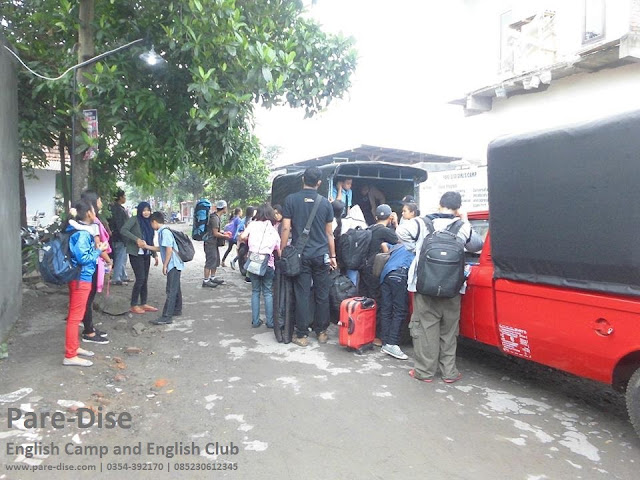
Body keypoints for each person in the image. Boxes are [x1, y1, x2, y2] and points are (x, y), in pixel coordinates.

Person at [407, 191, 484, 383]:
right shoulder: (463, 226)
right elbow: (477, 245)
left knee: (426, 327)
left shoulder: (421, 223)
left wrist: (417, 249)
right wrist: (464, 220)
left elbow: (401, 233)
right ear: (458, 208)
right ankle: (449, 372)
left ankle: (424, 372)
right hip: (453, 287)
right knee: (449, 330)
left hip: (424, 285)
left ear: (439, 204)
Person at [281, 166, 336, 347]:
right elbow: (330, 234)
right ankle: (321, 332)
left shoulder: (291, 200)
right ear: (319, 183)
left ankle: (302, 334)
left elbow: (286, 228)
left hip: (301, 255)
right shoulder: (325, 203)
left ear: (302, 179)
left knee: (302, 294)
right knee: (322, 293)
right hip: (321, 255)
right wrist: (333, 256)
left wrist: (282, 250)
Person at [63, 199, 109, 366]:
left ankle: (74, 348)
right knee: (75, 318)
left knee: (76, 317)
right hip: (81, 278)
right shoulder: (82, 234)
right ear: (89, 213)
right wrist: (99, 250)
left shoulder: (78, 230)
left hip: (80, 278)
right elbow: (83, 258)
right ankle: (70, 355)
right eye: (93, 209)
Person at [378, 221, 418, 361]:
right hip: (400, 275)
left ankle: (385, 341)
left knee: (386, 309)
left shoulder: (397, 245)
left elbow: (384, 244)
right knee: (400, 311)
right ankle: (392, 343)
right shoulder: (414, 246)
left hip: (385, 275)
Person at [78, 190, 112, 344]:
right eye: (99, 200)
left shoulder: (79, 222)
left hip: (85, 265)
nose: (101, 203)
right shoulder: (93, 223)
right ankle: (89, 332)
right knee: (88, 298)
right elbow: (99, 246)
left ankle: (89, 327)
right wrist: (108, 260)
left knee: (88, 298)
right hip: (91, 264)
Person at [240, 204, 281, 328]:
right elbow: (278, 249)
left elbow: (242, 236)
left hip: (253, 262)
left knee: (255, 291)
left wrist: (249, 240)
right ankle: (270, 322)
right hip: (268, 264)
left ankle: (255, 321)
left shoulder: (252, 224)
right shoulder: (273, 230)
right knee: (268, 292)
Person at [144, 212, 184, 325]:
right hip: (175, 263)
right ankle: (177, 309)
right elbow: (160, 248)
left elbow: (169, 250)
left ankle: (167, 316)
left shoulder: (164, 232)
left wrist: (165, 265)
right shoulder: (164, 231)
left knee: (170, 289)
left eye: (151, 223)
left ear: (154, 222)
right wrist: (146, 246)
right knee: (175, 287)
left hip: (173, 264)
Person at [120, 201, 159, 314]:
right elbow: (124, 230)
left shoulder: (150, 222)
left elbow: (150, 239)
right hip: (135, 253)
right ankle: (133, 304)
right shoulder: (134, 219)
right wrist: (136, 239)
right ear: (140, 211)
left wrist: (155, 255)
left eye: (148, 210)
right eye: (144, 210)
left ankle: (143, 303)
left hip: (146, 253)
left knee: (145, 279)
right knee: (140, 278)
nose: (146, 212)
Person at [203, 200, 229, 288]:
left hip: (213, 243)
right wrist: (225, 236)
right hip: (210, 242)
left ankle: (212, 277)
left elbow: (216, 231)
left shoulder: (216, 217)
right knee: (210, 261)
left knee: (215, 260)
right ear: (224, 208)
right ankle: (206, 280)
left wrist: (223, 233)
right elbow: (215, 233)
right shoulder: (214, 218)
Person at [108, 189, 130, 285]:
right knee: (120, 258)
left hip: (114, 237)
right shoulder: (120, 210)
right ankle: (116, 278)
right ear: (120, 197)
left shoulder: (111, 208)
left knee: (120, 257)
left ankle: (123, 276)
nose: (125, 198)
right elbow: (121, 225)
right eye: (124, 196)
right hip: (120, 238)